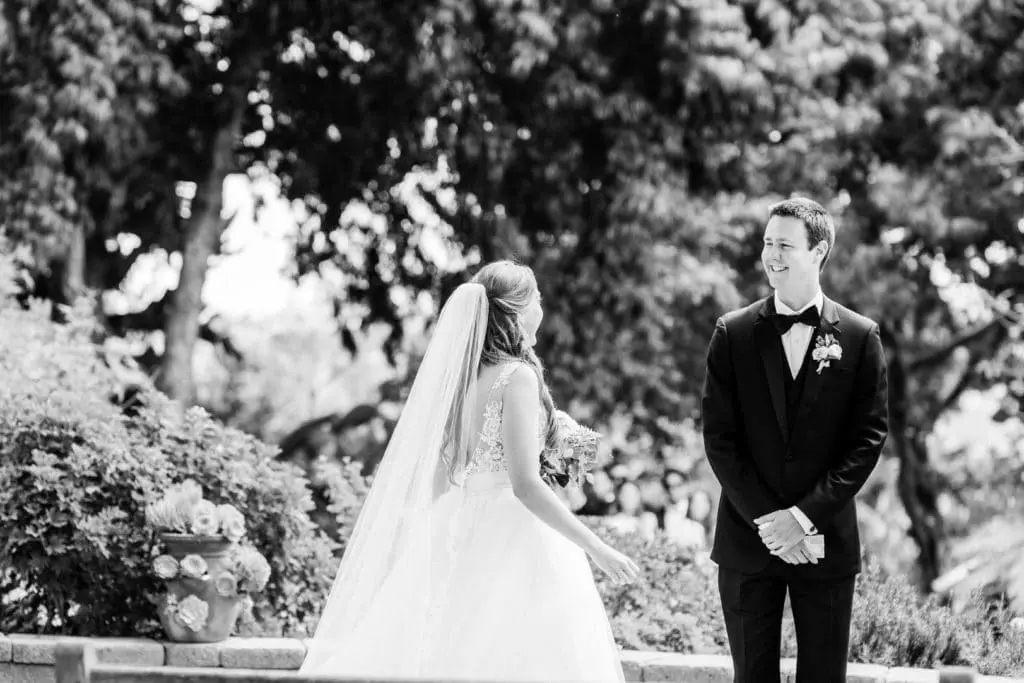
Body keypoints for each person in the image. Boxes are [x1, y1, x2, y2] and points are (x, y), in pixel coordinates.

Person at [301, 260, 639, 681]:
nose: (542, 308)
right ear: (517, 311)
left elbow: (451, 470)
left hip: (461, 523)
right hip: (515, 536)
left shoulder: (464, 382)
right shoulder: (517, 377)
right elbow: (525, 485)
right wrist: (597, 547)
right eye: (537, 299)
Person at [701, 197, 889, 683]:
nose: (771, 254)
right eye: (767, 243)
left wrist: (802, 519)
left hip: (824, 541)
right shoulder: (733, 332)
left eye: (784, 244)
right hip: (748, 541)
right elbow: (720, 440)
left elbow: (867, 440)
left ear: (818, 250)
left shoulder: (860, 336)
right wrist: (772, 524)